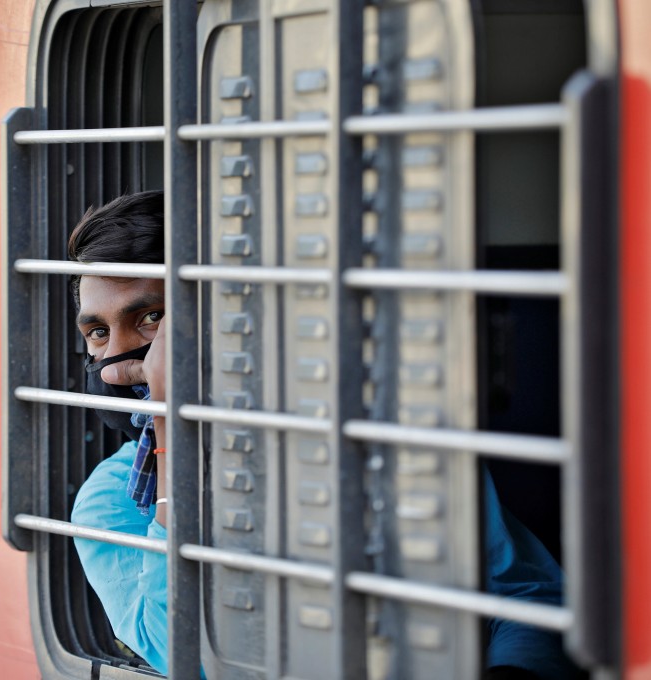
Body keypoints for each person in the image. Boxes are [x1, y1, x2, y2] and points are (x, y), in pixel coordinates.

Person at [68, 190, 580, 679]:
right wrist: (170, 426)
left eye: (151, 317)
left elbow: (523, 597)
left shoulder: (377, 444)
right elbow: (187, 656)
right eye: (98, 333)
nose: (117, 359)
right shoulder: (110, 500)